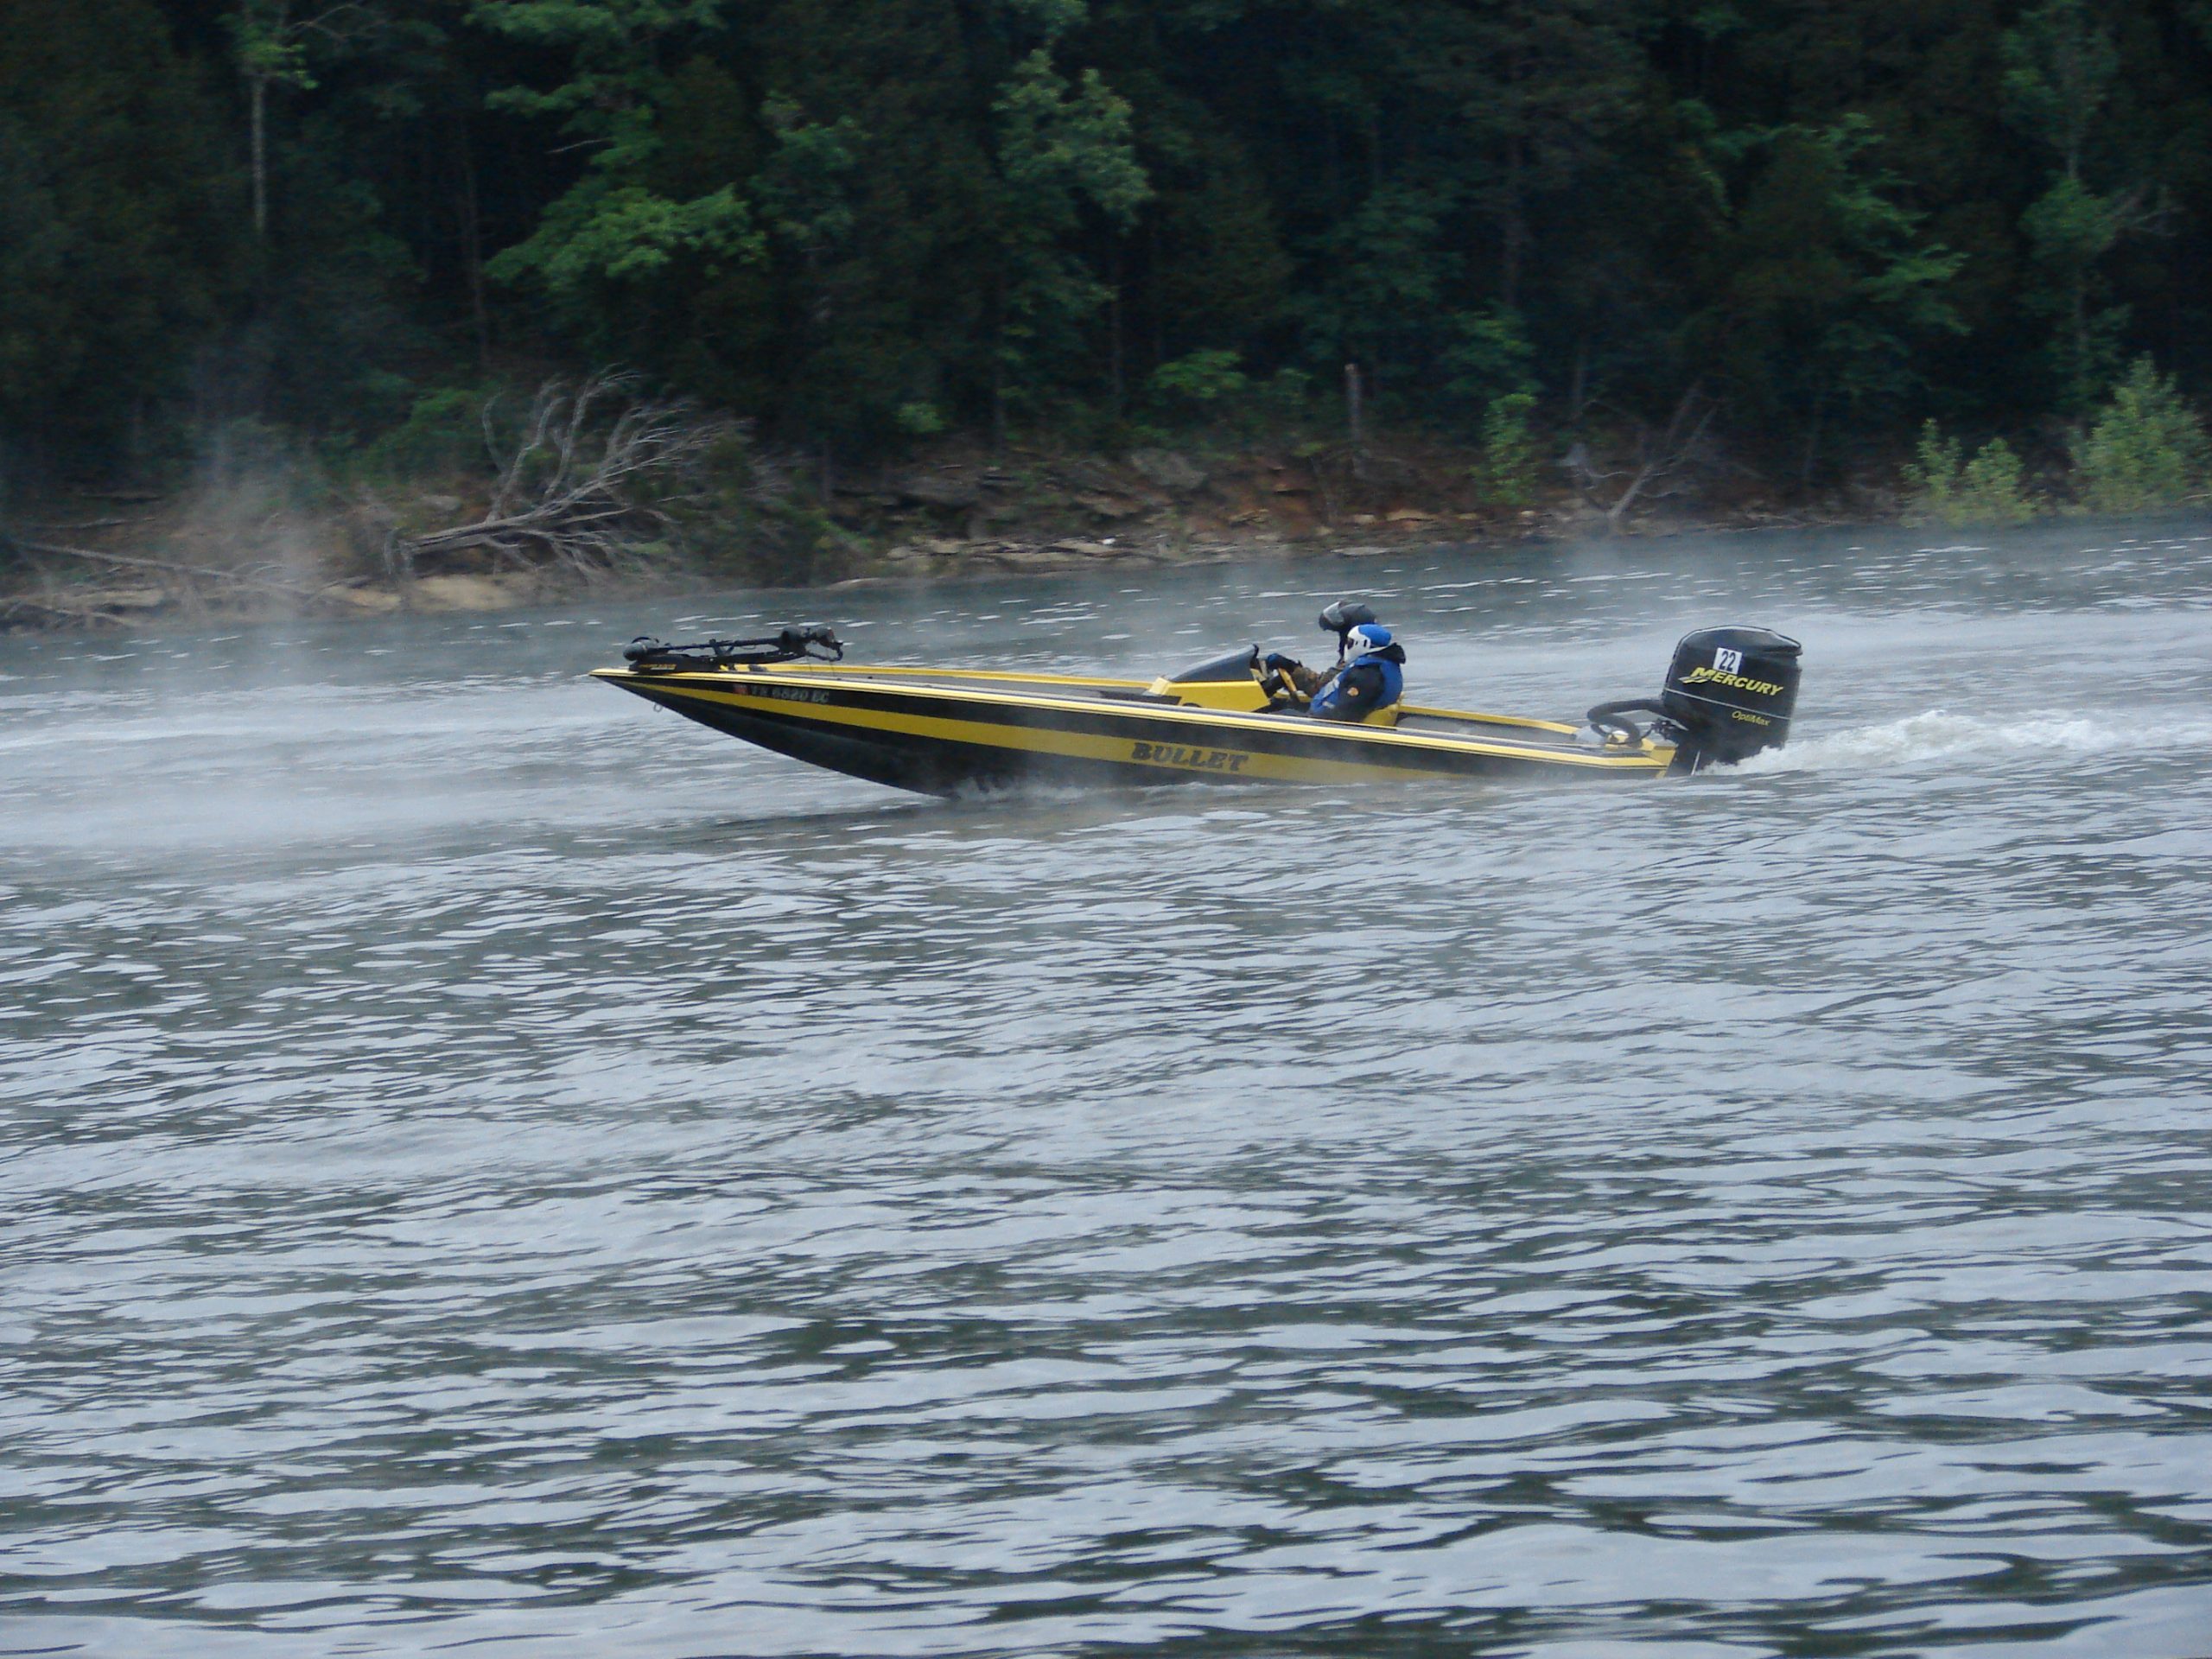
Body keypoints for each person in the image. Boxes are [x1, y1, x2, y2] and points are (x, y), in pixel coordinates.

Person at [1262, 617, 1407, 721]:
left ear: (1364, 644)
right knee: (1285, 708)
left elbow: (1343, 713)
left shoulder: (1367, 675)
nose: (1345, 646)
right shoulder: (1378, 667)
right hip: (1325, 721)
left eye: (1350, 642)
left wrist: (1309, 718)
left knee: (1272, 717)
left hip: (1326, 732)